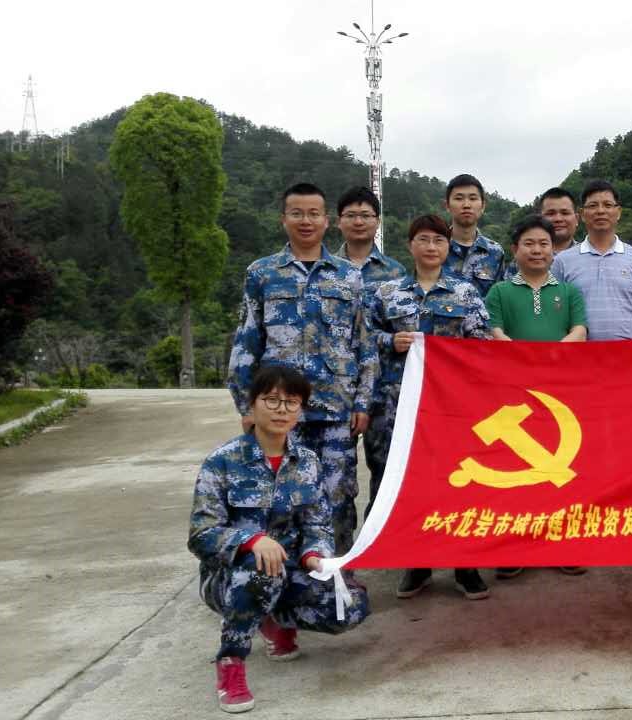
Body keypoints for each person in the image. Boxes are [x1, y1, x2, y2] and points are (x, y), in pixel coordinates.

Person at [190, 365, 370, 714]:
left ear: (300, 410)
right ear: (252, 405)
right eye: (271, 400)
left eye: (291, 402)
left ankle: (275, 620)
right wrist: (251, 540)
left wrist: (315, 555)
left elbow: (317, 523)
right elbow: (201, 533)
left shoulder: (307, 462)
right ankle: (231, 662)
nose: (281, 410)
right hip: (232, 576)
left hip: (289, 568)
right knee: (261, 570)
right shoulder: (222, 462)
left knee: (350, 606)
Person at [226, 182, 376, 557]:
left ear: (326, 221)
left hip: (336, 410)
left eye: (313, 214)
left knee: (338, 494)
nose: (305, 221)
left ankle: (337, 573)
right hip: (279, 410)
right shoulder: (262, 273)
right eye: (297, 213)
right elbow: (246, 343)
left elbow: (364, 345)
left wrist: (362, 402)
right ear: (284, 219)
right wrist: (247, 407)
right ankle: (285, 574)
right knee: (279, 494)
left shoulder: (349, 276)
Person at [366, 213, 493, 601]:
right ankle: (418, 562)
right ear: (411, 246)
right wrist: (390, 342)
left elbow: (482, 344)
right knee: (410, 482)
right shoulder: (387, 293)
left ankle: (464, 564)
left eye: (438, 240)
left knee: (458, 482)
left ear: (447, 247)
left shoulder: (465, 293)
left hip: (450, 406)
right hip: (399, 405)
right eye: (423, 239)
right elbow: (363, 337)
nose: (431, 247)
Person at [486, 214, 588, 580]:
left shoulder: (569, 292)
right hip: (513, 393)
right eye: (528, 243)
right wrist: (524, 360)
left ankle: (562, 542)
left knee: (564, 466)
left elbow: (580, 330)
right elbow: (494, 332)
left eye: (544, 243)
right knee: (517, 469)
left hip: (560, 391)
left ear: (553, 250)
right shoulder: (499, 292)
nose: (537, 250)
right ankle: (515, 545)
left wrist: (551, 357)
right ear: (515, 250)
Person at [332, 185, 408, 520]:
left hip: (383, 389)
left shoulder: (395, 273)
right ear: (338, 221)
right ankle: (338, 546)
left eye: (366, 215)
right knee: (335, 476)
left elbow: (403, 329)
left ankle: (380, 537)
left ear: (378, 221)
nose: (359, 221)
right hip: (336, 387)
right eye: (351, 215)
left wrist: (389, 341)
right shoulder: (325, 269)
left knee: (386, 468)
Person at [551, 180, 632, 340]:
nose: (600, 211)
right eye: (593, 205)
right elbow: (555, 312)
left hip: (629, 352)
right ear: (582, 214)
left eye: (608, 205)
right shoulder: (562, 261)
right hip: (578, 352)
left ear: (618, 212)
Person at [442, 173, 506, 296]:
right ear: (447, 206)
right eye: (459, 198)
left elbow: (499, 298)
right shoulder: (435, 249)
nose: (466, 205)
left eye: (472, 198)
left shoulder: (495, 252)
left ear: (483, 206)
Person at [539, 186, 581, 255]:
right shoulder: (527, 258)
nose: (558, 219)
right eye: (551, 214)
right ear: (540, 219)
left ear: (576, 219)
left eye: (565, 213)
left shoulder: (590, 257)